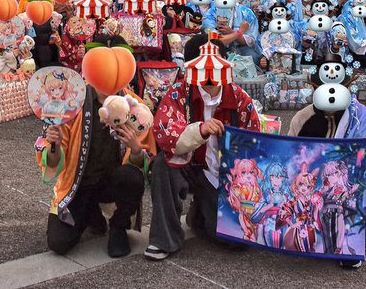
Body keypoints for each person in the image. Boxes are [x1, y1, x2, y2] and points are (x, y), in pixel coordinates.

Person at [145, 34, 259, 261]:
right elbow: (165, 132)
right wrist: (200, 130)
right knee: (161, 165)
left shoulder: (240, 99)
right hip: (185, 163)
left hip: (221, 172)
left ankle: (199, 216)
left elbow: (254, 143)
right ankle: (164, 238)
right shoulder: (178, 93)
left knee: (235, 243)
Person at [289, 66, 366, 269]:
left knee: (362, 185)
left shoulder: (361, 118)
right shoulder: (301, 118)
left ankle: (348, 240)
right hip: (312, 186)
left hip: (346, 187)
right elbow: (290, 157)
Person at [38, 81, 152, 258]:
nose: (107, 81)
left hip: (112, 182)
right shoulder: (71, 103)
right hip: (78, 186)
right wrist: (55, 144)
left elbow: (142, 164)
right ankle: (89, 213)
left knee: (132, 177)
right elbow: (52, 163)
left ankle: (118, 226)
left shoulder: (134, 105)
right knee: (58, 242)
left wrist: (136, 148)